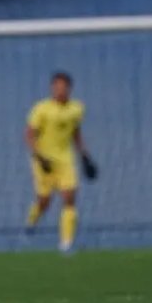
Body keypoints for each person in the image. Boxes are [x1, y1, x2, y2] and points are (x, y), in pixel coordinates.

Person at [25, 71, 97, 252]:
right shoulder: (41, 109)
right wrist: (39, 157)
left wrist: (85, 155)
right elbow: (29, 135)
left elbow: (75, 133)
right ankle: (32, 219)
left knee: (69, 199)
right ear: (52, 88)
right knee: (44, 201)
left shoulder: (76, 108)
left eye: (63, 87)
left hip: (65, 160)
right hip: (44, 161)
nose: (59, 90)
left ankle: (66, 243)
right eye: (56, 86)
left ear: (69, 89)